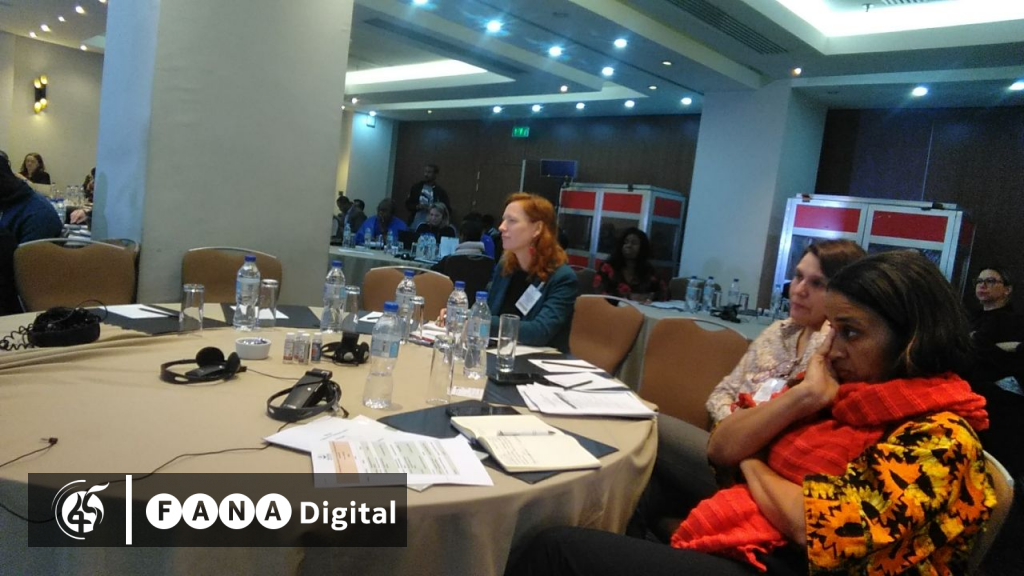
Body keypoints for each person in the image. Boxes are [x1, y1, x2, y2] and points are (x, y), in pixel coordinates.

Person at [509, 250, 995, 576]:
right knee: (645, 487)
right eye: (833, 330)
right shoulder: (837, 391)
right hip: (765, 532)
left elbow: (811, 526)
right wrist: (804, 398)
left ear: (912, 339)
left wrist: (753, 461)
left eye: (850, 332)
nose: (832, 348)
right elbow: (720, 445)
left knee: (554, 548)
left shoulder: (939, 437)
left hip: (786, 562)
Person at [486, 193, 578, 352]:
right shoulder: (505, 267)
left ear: (537, 229)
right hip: (499, 352)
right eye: (503, 220)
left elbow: (539, 332)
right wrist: (463, 314)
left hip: (540, 360)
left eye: (511, 221)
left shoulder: (562, 278)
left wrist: (480, 320)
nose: (501, 227)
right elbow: (488, 311)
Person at [0, 150, 62, 244]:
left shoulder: (36, 213)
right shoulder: (17, 197)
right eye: (27, 161)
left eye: (32, 161)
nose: (29, 164)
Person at [593, 227, 667, 302]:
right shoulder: (607, 267)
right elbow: (599, 293)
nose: (628, 245)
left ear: (642, 248)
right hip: (612, 308)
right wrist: (630, 297)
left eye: (634, 243)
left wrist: (650, 296)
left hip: (641, 308)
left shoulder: (649, 270)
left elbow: (665, 293)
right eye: (626, 242)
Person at [405, 164, 450, 229]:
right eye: (425, 172)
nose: (426, 174)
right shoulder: (416, 187)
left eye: (429, 172)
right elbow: (408, 204)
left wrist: (433, 208)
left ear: (435, 174)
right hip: (415, 222)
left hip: (433, 224)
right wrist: (417, 206)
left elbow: (446, 209)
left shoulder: (440, 191)